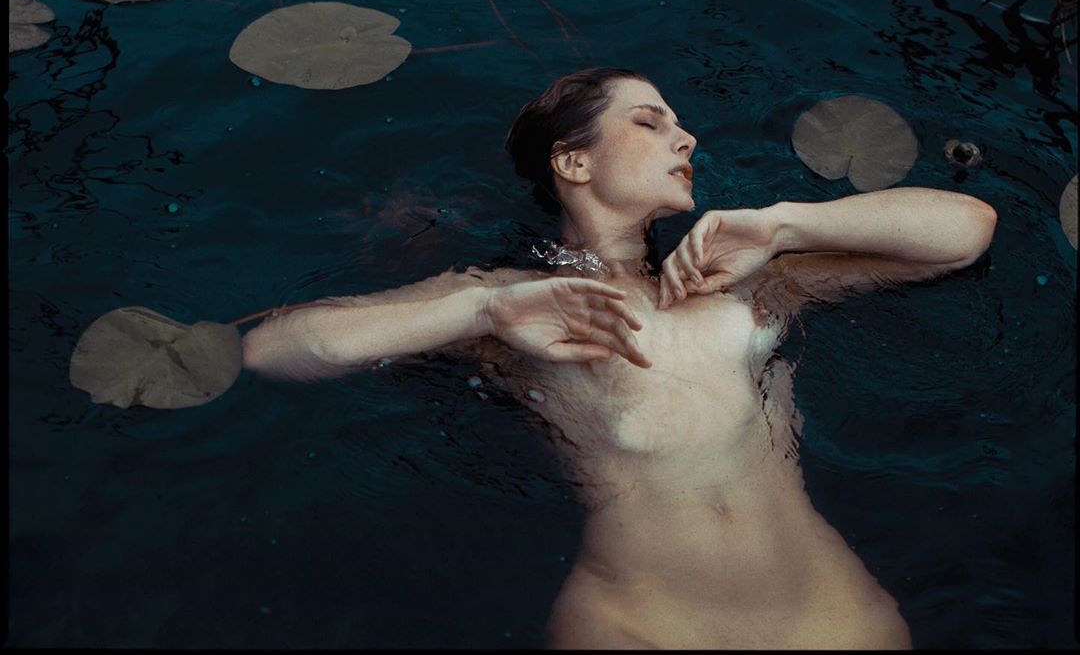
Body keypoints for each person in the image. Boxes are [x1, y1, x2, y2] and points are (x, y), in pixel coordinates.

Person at [241, 67, 997, 649]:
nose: (686, 139)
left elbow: (965, 231)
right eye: (650, 122)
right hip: (641, 623)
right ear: (573, 164)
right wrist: (481, 311)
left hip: (830, 616)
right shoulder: (512, 303)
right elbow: (275, 350)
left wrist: (783, 226)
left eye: (680, 124)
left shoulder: (746, 280)